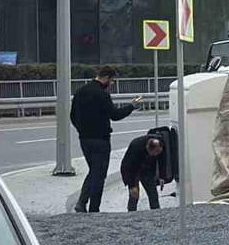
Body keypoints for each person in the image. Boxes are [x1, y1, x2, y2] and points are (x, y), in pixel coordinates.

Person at [70, 65, 141, 213]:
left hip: (84, 139)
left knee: (93, 171)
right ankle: (94, 208)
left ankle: (81, 202)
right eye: (112, 80)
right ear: (107, 78)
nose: (112, 84)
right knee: (99, 175)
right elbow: (115, 115)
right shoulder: (102, 94)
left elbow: (72, 116)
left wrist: (81, 129)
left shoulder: (80, 91)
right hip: (101, 139)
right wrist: (132, 106)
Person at [122, 134, 165, 211]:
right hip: (133, 170)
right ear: (147, 147)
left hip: (147, 170)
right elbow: (128, 167)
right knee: (134, 195)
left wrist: (162, 176)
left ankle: (156, 212)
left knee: (153, 194)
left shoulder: (161, 144)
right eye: (151, 153)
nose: (154, 155)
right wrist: (132, 186)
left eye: (155, 154)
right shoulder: (136, 147)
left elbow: (162, 161)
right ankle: (131, 213)